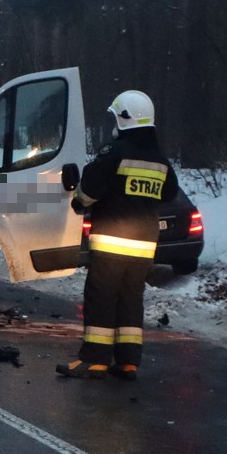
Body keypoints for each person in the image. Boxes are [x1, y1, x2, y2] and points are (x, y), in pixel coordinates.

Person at [57, 90, 179, 380]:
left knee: (101, 298)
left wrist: (78, 201)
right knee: (130, 300)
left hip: (112, 239)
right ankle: (128, 362)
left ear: (125, 119)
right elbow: (170, 193)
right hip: (144, 245)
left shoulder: (114, 152)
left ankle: (95, 360)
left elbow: (91, 189)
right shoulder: (160, 160)